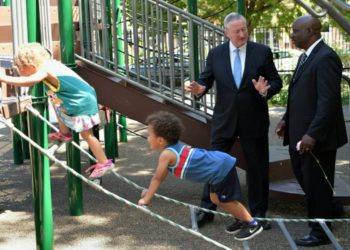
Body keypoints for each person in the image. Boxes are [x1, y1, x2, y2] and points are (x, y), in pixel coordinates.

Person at [184, 12, 282, 231]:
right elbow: (204, 80)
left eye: (244, 29)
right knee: (214, 165)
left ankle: (258, 214)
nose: (242, 34)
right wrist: (199, 88)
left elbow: (277, 81)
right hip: (224, 120)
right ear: (226, 33)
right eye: (237, 31)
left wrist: (267, 90)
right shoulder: (216, 54)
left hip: (254, 119)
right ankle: (207, 210)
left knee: (257, 168)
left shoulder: (262, 52)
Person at [275, 16, 347, 247]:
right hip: (299, 132)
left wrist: (313, 135)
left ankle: (319, 232)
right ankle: (330, 210)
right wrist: (286, 119)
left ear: (310, 31)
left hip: (316, 138)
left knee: (316, 183)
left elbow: (328, 102)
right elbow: (301, 95)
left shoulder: (326, 58)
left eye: (296, 31)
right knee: (306, 178)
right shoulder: (308, 56)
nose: (292, 35)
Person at [138, 111, 263, 241]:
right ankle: (241, 219)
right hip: (216, 169)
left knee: (227, 200)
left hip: (220, 168)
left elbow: (157, 179)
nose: (147, 138)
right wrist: (149, 193)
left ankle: (252, 224)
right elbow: (160, 178)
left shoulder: (167, 155)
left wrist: (146, 200)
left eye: (149, 135)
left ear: (160, 140)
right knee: (215, 199)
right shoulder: (171, 151)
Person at [0, 43, 114, 179]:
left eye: (19, 67)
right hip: (80, 98)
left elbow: (29, 81)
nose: (17, 70)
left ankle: (104, 162)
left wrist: (4, 78)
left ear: (30, 65)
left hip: (81, 103)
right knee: (55, 101)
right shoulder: (51, 64)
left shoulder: (44, 70)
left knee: (87, 135)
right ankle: (64, 133)